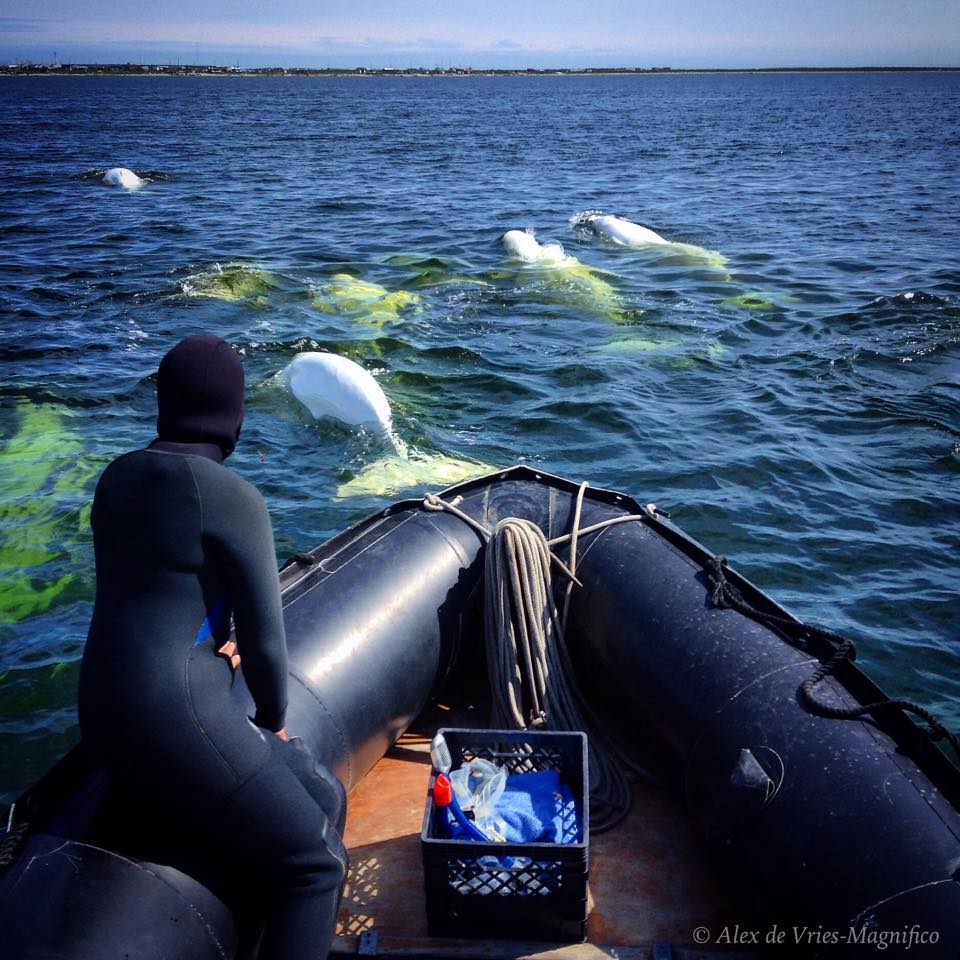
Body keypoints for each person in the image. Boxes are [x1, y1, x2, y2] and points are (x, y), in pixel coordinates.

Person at [78, 334, 347, 960]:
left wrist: (210, 661)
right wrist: (273, 722)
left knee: (321, 790)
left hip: (103, 722)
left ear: (166, 402)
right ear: (234, 412)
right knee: (316, 864)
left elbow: (155, 608)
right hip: (173, 719)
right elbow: (265, 643)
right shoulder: (229, 496)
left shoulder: (117, 480)